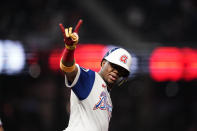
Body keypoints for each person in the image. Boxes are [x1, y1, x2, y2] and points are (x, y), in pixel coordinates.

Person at [59, 20, 132, 131]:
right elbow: (68, 68)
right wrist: (69, 49)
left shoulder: (107, 96)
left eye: (121, 70)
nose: (116, 72)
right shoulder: (90, 78)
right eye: (113, 66)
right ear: (103, 63)